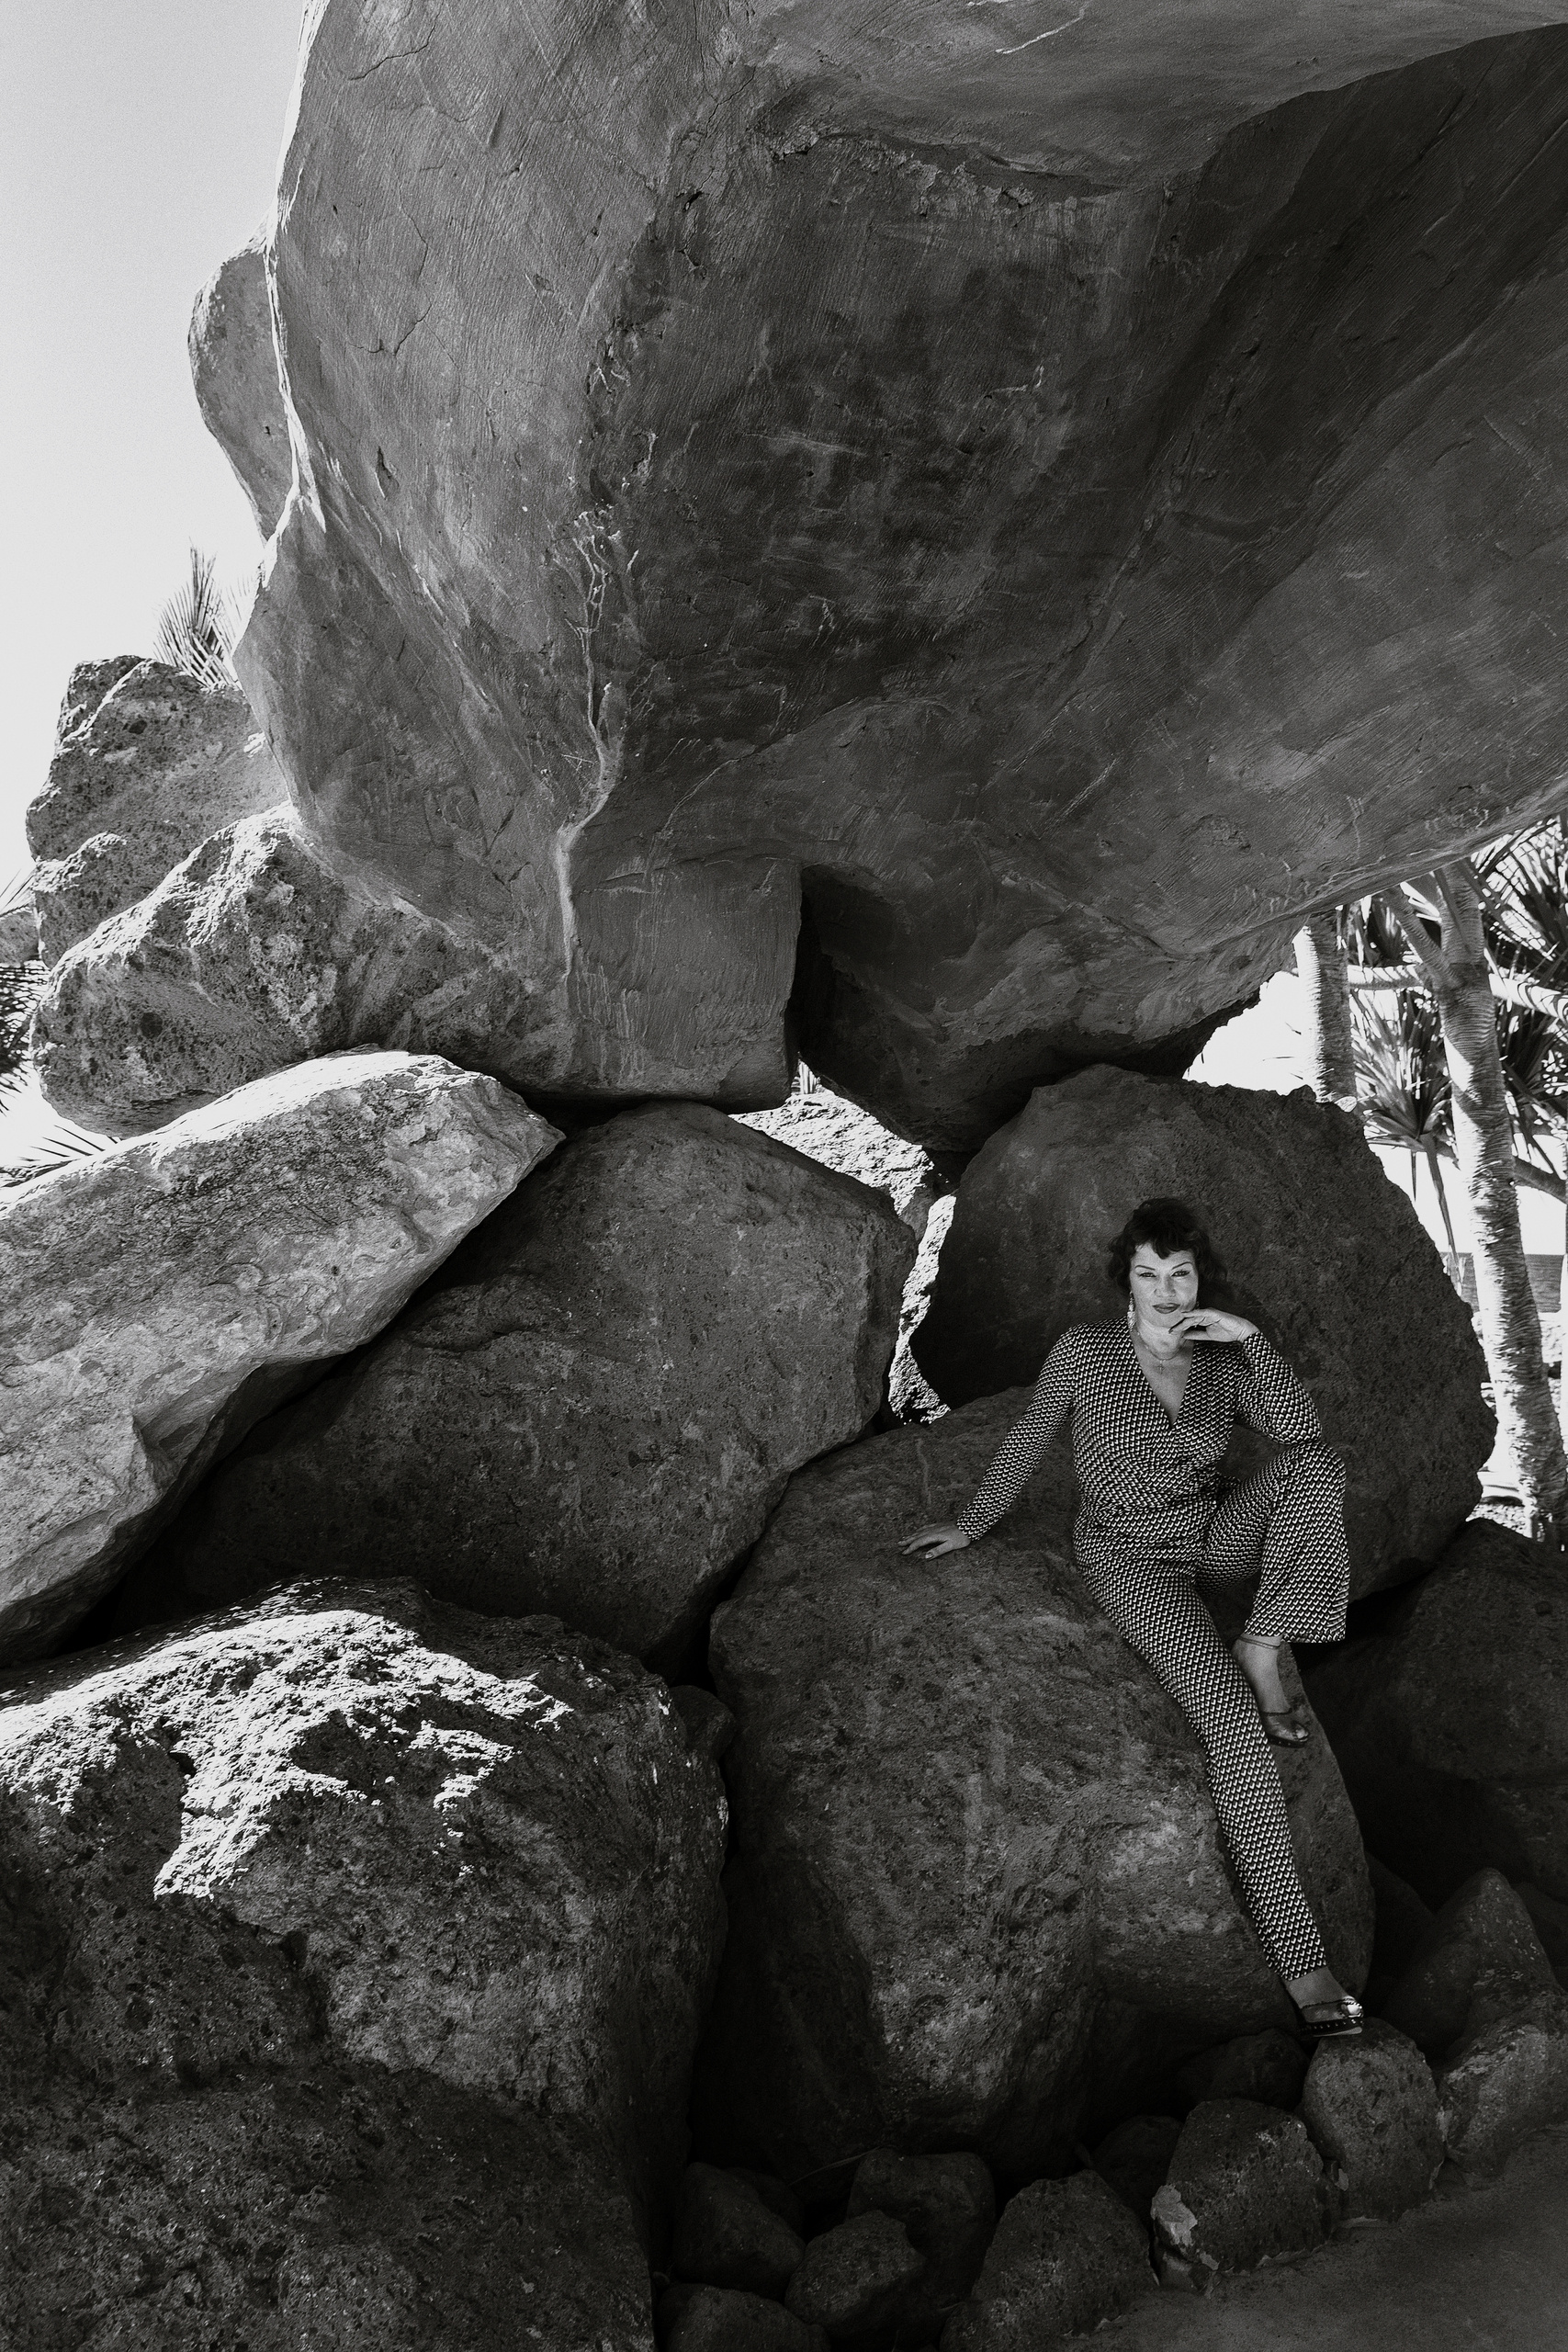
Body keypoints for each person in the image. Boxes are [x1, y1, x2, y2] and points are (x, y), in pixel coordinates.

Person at [902, 1194, 1362, 2039]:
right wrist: (971, 1523)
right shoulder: (1085, 1354)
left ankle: (1264, 1643)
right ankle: (1305, 1964)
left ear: (1198, 1281)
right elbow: (1030, 1436)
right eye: (1147, 1274)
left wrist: (1251, 1343)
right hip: (1131, 1563)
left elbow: (1299, 1433)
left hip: (1214, 1538)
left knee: (1318, 1466)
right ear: (1127, 1280)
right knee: (1230, 1731)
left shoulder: (1221, 1362)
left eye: (1178, 1274)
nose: (1163, 1290)